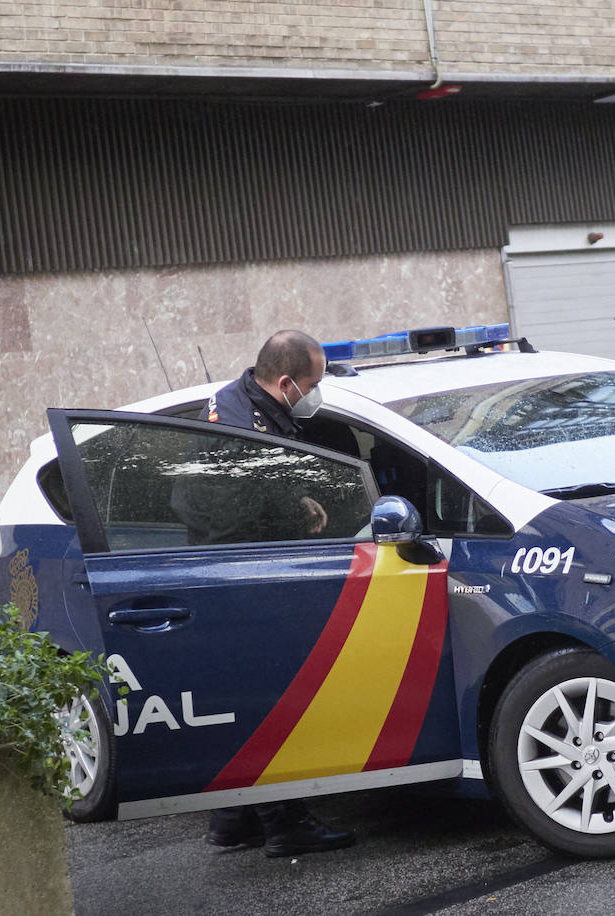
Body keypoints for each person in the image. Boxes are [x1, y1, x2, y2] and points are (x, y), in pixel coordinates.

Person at [197, 329, 356, 858]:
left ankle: (231, 821)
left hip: (239, 574)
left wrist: (301, 499)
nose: (317, 393)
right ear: (286, 381)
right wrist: (298, 508)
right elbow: (248, 501)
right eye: (313, 383)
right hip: (245, 580)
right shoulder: (240, 426)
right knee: (272, 705)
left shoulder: (246, 402)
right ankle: (285, 823)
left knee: (248, 704)